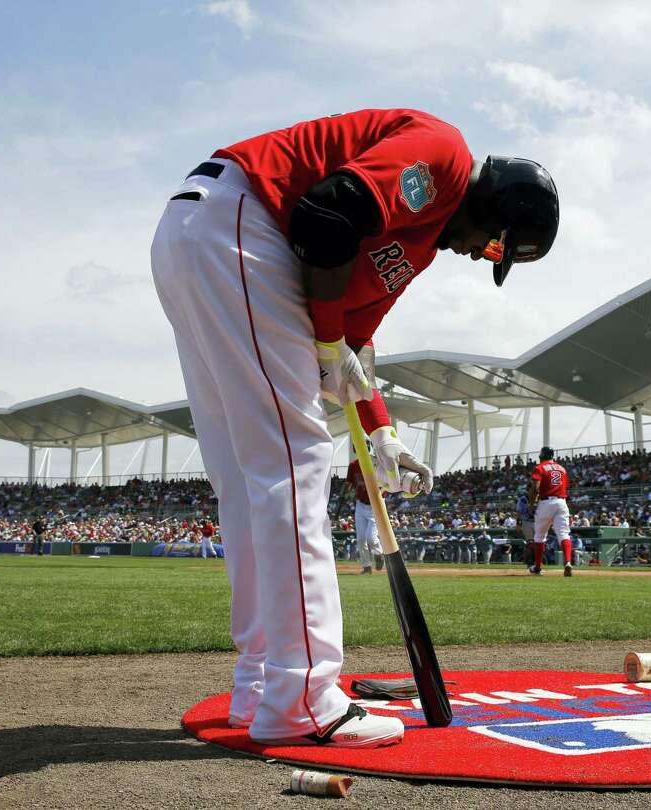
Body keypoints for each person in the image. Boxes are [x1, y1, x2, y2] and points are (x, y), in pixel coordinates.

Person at [150, 108, 559, 748]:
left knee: (246, 475)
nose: (480, 254)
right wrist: (325, 340)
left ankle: (260, 684)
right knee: (295, 465)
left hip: (206, 237)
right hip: (247, 224)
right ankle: (306, 697)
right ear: (499, 202)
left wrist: (380, 430)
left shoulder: (419, 240)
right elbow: (326, 214)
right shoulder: (446, 157)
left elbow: (355, 338)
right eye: (493, 244)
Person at [528, 447, 573, 576]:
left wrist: (531, 503)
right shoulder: (562, 469)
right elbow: (565, 487)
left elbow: (535, 488)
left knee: (539, 536)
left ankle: (537, 567)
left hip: (546, 502)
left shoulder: (540, 467)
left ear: (541, 456)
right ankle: (568, 562)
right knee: (564, 534)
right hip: (561, 502)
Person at [342, 454, 382, 574]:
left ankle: (379, 553)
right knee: (360, 539)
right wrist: (344, 491)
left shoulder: (376, 463)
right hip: (360, 504)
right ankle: (366, 566)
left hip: (375, 504)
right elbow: (349, 482)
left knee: (371, 537)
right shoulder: (353, 465)